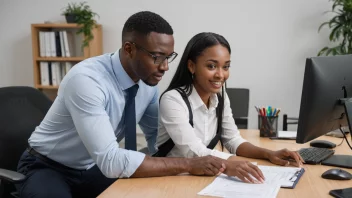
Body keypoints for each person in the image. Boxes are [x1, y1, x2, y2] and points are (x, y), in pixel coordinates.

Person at [16, 12, 229, 198]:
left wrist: (199, 159)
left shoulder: (148, 83)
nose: (164, 67)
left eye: (168, 57)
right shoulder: (87, 81)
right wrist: (189, 164)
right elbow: (110, 159)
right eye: (156, 57)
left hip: (91, 166)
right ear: (129, 49)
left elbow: (160, 141)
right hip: (47, 166)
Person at [156, 32, 305, 183]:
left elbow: (233, 139)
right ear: (191, 66)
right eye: (211, 66)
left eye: (226, 66)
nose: (220, 74)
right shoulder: (173, 100)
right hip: (172, 180)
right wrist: (231, 164)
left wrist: (268, 154)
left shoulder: (220, 96)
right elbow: (193, 152)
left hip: (205, 177)